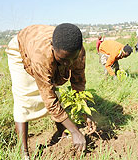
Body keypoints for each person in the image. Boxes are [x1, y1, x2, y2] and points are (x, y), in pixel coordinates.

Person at [6, 23, 95, 159]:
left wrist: (84, 111)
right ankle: (23, 153)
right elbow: (49, 98)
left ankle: (61, 134)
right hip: (22, 49)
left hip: (42, 50)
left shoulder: (77, 51)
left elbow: (78, 82)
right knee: (24, 98)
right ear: (52, 47)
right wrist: (75, 131)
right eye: (64, 60)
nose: (69, 64)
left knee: (56, 92)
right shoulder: (41, 55)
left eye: (72, 59)